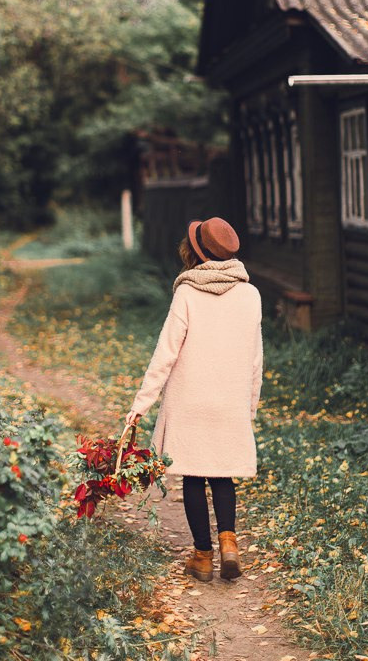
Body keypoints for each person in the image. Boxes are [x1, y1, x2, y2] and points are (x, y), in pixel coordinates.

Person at [125, 217, 263, 582]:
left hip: (190, 401)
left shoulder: (187, 292)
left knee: (192, 479)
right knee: (222, 476)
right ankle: (229, 542)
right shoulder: (251, 295)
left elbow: (165, 353)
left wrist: (140, 406)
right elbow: (255, 357)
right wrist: (249, 407)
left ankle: (203, 557)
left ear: (195, 252)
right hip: (229, 399)